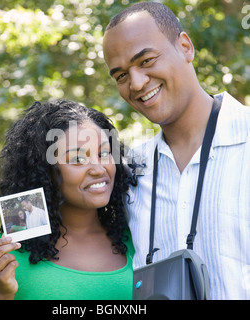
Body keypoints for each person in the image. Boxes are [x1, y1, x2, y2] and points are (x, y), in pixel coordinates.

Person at [103, 1, 250, 299]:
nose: (137, 83)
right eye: (121, 75)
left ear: (185, 47)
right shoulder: (129, 171)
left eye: (145, 61)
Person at [0, 99, 135, 300]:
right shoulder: (4, 254)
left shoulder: (135, 237)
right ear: (47, 173)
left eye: (104, 154)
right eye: (77, 159)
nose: (99, 169)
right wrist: (2, 293)